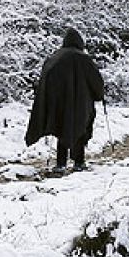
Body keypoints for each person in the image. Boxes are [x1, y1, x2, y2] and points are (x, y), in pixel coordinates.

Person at [25, 28, 105, 176]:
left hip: (59, 104)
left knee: (62, 129)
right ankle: (79, 162)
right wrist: (99, 95)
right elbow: (97, 82)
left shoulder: (55, 58)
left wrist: (48, 101)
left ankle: (61, 163)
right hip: (82, 104)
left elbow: (44, 80)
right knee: (80, 130)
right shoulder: (85, 59)